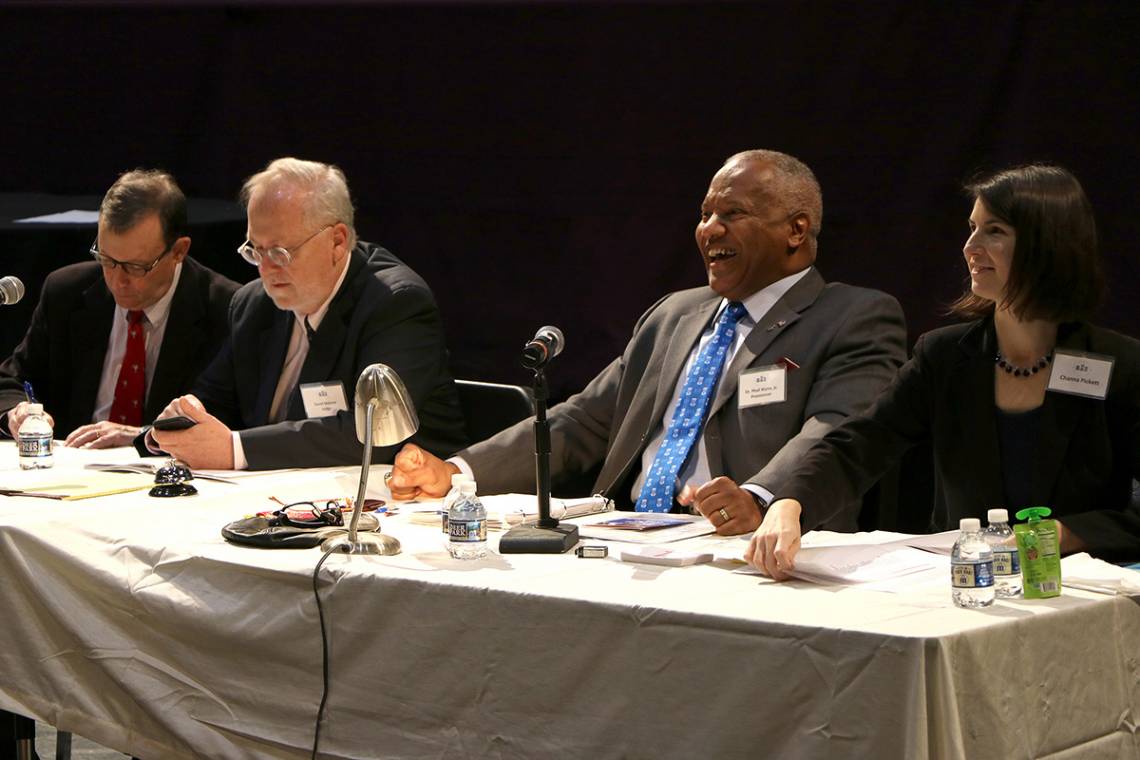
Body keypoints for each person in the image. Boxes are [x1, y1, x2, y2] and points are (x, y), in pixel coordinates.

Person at [389, 149, 907, 534]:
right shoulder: (674, 313)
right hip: (631, 536)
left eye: (733, 214)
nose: (709, 230)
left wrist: (759, 496)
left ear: (796, 230)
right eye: (705, 215)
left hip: (751, 544)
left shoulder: (853, 315)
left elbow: (838, 430)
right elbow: (584, 420)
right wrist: (456, 472)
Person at [747, 164, 1140, 579]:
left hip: (1084, 588)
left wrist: (1059, 534)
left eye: (995, 232)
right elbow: (859, 444)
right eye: (972, 228)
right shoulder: (945, 355)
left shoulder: (1120, 364)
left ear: (1048, 244)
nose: (971, 247)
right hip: (967, 585)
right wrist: (790, 504)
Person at [149, 157, 466, 470]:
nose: (265, 269)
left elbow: (372, 436)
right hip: (279, 497)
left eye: (279, 252)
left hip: (401, 501)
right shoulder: (255, 304)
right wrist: (172, 432)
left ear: (337, 241)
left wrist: (235, 449)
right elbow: (214, 402)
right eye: (255, 251)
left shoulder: (395, 303)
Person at [0, 169, 239, 448]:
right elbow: (11, 381)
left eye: (136, 267)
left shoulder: (226, 308)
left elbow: (224, 416)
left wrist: (144, 435)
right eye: (106, 259)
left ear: (178, 252)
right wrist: (17, 414)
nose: (117, 280)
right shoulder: (67, 292)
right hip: (73, 467)